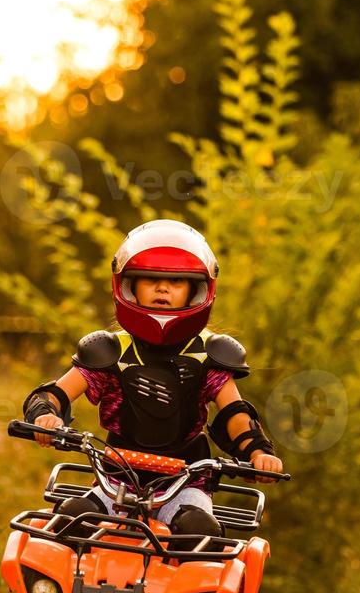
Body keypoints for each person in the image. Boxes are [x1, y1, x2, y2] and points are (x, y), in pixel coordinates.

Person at [21, 219, 284, 537]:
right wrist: (46, 415)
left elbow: (235, 413)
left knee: (199, 532)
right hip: (116, 481)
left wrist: (258, 452)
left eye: (175, 280)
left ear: (196, 290)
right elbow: (55, 394)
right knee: (69, 521)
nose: (162, 288)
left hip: (187, 483)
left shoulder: (210, 354)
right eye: (150, 279)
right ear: (128, 286)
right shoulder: (109, 350)